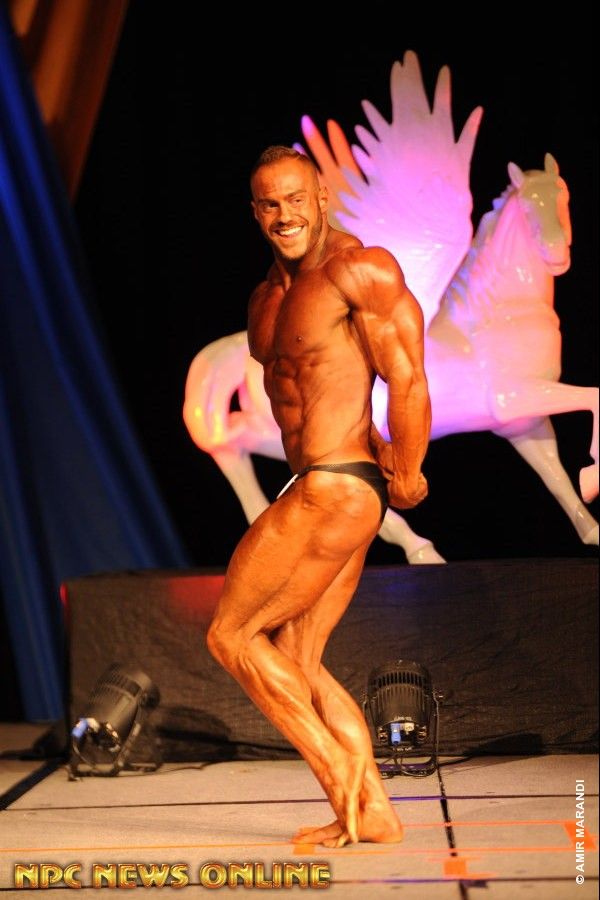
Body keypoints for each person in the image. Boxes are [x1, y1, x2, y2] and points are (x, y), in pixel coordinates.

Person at [207, 146, 430, 848]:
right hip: (327, 483)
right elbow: (311, 388)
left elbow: (406, 374)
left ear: (322, 197)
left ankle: (341, 778)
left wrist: (410, 467)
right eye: (270, 204)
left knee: (231, 636)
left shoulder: (358, 269)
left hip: (337, 484)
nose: (285, 215)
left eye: (296, 199)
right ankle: (374, 811)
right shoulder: (264, 299)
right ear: (255, 212)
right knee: (297, 660)